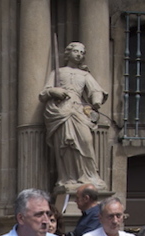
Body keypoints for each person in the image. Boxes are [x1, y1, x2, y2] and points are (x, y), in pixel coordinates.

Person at [39, 42, 107, 190]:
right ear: (68, 53)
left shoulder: (85, 74)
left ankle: (90, 176)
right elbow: (43, 93)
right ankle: (68, 178)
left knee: (86, 141)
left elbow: (96, 90)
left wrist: (96, 101)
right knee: (66, 146)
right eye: (76, 51)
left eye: (82, 53)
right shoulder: (58, 73)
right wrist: (54, 91)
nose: (79, 55)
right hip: (61, 111)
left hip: (78, 110)